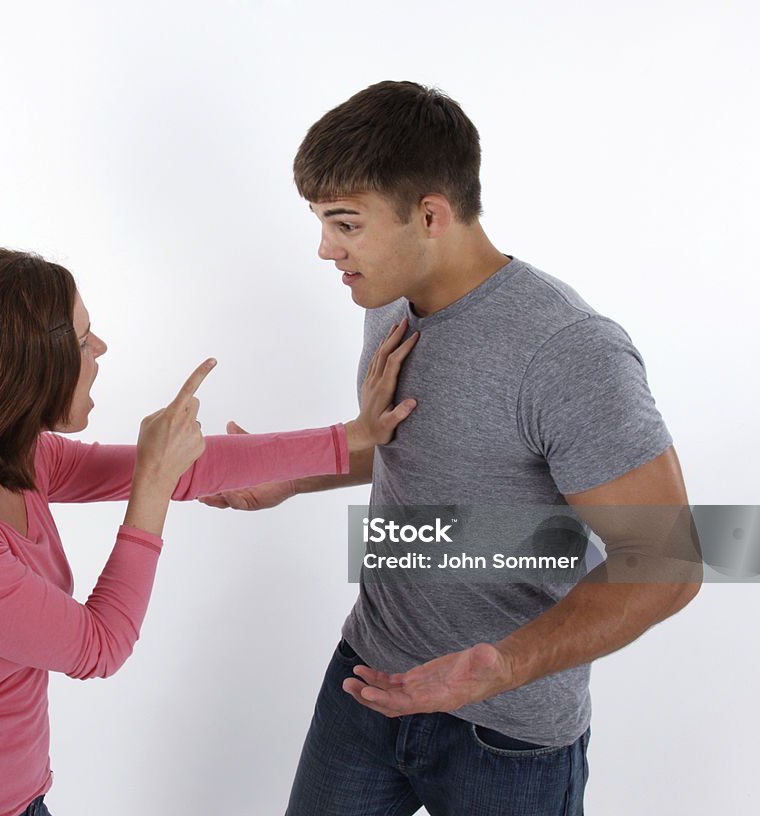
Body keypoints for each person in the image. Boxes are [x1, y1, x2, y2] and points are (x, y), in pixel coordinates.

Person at [201, 81, 701, 815]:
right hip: (366, 680)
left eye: (345, 224)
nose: (324, 249)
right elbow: (419, 444)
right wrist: (290, 475)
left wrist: (501, 667)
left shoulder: (567, 351)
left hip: (506, 732)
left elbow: (670, 559)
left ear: (430, 214)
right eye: (320, 222)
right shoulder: (390, 302)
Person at [0, 247, 418, 816]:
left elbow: (178, 469)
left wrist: (351, 435)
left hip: (17, 802)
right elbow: (98, 647)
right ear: (21, 370)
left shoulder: (13, 460)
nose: (100, 349)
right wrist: (152, 488)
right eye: (80, 339)